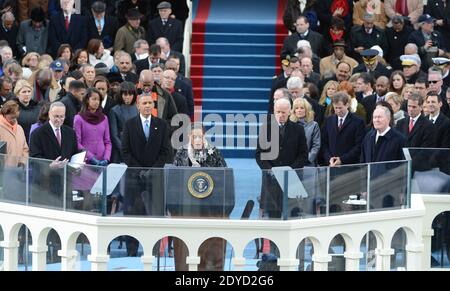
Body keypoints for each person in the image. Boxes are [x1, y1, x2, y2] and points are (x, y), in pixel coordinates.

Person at [172, 123, 227, 271]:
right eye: (194, 136)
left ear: (204, 137)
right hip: (187, 205)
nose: (197, 139)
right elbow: (174, 176)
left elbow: (224, 174)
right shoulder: (181, 152)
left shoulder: (213, 152)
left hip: (209, 206)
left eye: (200, 136)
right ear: (189, 137)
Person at [121, 93, 172, 256]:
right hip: (134, 179)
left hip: (155, 178)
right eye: (144, 103)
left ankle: (155, 251)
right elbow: (125, 151)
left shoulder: (162, 125)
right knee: (133, 214)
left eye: (150, 103)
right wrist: (139, 170)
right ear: (138, 106)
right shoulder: (129, 125)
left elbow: (165, 152)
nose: (148, 106)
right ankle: (131, 252)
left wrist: (152, 170)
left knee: (155, 215)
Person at [256, 98, 308, 219]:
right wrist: (270, 170)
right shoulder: (266, 128)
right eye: (278, 112)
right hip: (271, 179)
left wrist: (290, 170)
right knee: (273, 216)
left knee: (293, 214)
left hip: (292, 178)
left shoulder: (298, 129)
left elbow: (303, 154)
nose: (280, 115)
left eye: (283, 112)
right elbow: (259, 154)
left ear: (290, 111)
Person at [29, 101, 79, 208]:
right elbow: (34, 158)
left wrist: (78, 164)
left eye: (61, 117)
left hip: (65, 183)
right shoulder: (37, 134)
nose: (59, 119)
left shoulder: (70, 133)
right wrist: (49, 165)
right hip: (45, 184)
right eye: (56, 116)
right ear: (49, 115)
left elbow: (74, 153)